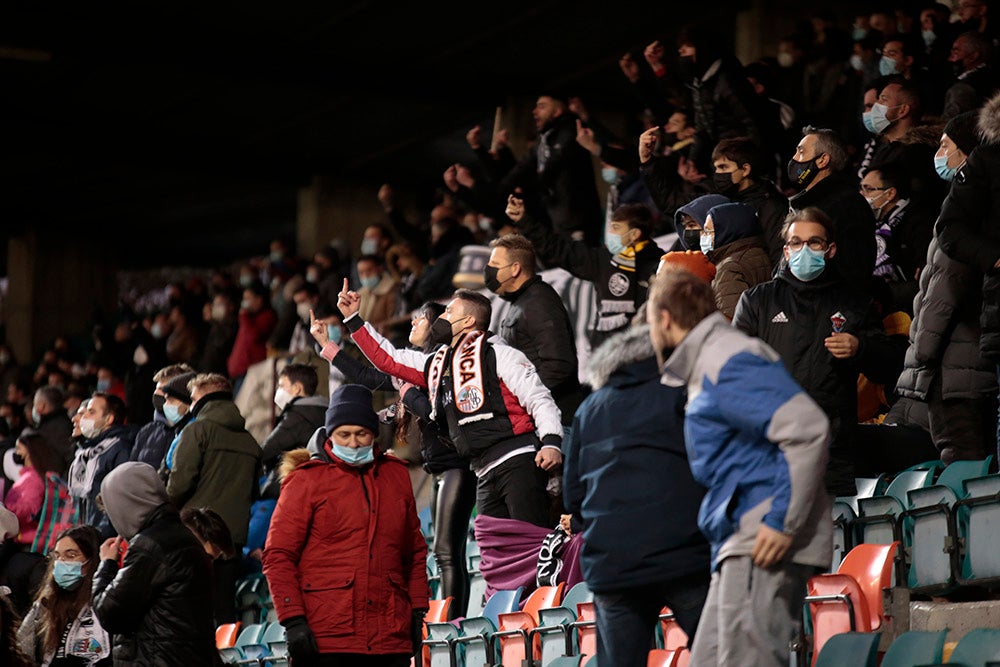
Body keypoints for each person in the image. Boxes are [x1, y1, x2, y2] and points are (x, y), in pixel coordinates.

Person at [647, 270, 832, 667]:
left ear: (663, 318)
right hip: (740, 534)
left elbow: (807, 428)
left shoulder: (724, 358)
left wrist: (783, 521)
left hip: (761, 533)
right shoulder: (709, 360)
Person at [335, 282, 564, 529]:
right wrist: (353, 319)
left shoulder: (501, 354)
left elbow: (539, 398)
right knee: (495, 553)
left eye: (448, 312)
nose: (441, 318)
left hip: (518, 460)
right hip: (482, 469)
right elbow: (388, 358)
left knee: (532, 545)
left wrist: (551, 441)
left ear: (467, 322)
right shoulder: (436, 363)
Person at [313, 300, 477, 620]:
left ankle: (453, 624)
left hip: (457, 465)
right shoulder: (411, 370)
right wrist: (327, 345)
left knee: (447, 553)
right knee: (444, 554)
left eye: (421, 319)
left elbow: (427, 407)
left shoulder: (436, 366)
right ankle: (449, 623)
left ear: (437, 327)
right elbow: (366, 375)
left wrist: (405, 397)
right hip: (441, 468)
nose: (413, 324)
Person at [563, 322, 710, 666]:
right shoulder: (683, 391)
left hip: (613, 565)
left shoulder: (588, 409)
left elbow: (573, 497)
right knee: (720, 656)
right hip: (684, 555)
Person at [733, 207, 905, 496]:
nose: (805, 249)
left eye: (814, 242)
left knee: (832, 538)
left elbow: (888, 367)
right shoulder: (757, 301)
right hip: (769, 447)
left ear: (830, 249)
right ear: (786, 251)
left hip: (831, 449)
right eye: (796, 242)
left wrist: (860, 348)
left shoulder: (855, 304)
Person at [262, 384, 429, 666]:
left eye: (361, 434)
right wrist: (293, 620)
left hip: (389, 637)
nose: (353, 443)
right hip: (327, 637)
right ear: (330, 435)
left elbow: (413, 552)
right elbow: (278, 555)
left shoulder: (396, 476)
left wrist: (417, 612)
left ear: (374, 435)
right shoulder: (305, 480)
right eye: (344, 435)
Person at [925, 95, 1000, 459]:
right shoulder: (961, 220)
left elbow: (937, 305)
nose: (939, 155)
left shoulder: (965, 226)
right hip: (962, 366)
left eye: (946, 146)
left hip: (960, 370)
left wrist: (921, 367)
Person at [91, 461, 218, 665]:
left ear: (126, 504)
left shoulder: (148, 546)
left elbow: (109, 612)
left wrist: (106, 564)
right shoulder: (185, 537)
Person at [166, 372, 261, 624]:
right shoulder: (250, 441)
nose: (191, 404)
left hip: (196, 535)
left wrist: (164, 512)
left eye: (194, 398)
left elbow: (179, 484)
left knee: (190, 610)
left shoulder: (197, 431)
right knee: (223, 611)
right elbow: (254, 493)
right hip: (232, 541)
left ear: (206, 399)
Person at [509, 199, 664, 351]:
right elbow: (559, 249)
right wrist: (525, 221)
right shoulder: (602, 260)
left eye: (616, 228)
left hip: (647, 349)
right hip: (606, 353)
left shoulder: (662, 264)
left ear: (635, 234)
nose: (610, 233)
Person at [484, 233, 585, 425]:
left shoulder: (538, 302)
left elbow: (559, 365)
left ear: (515, 269)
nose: (488, 271)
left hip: (558, 420)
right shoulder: (522, 301)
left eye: (495, 265)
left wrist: (522, 400)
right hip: (541, 418)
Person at [787, 125, 877, 293]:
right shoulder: (803, 204)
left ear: (822, 160)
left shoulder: (849, 205)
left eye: (801, 152)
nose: (794, 159)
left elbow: (855, 269)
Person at [16, 525, 112, 666]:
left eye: (71, 555)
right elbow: (22, 650)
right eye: (57, 556)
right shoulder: (45, 603)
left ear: (92, 560)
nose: (61, 562)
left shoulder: (106, 602)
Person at [66, 392, 134, 539]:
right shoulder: (88, 451)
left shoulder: (119, 448)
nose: (84, 417)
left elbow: (119, 497)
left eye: (92, 412)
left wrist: (102, 535)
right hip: (88, 532)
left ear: (109, 419)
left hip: (104, 535)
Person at [698, 201, 773, 319]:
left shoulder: (729, 268)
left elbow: (732, 320)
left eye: (708, 231)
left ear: (726, 230)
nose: (703, 236)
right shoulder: (761, 253)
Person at [130, 364, 195, 469]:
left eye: (162, 389)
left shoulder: (191, 431)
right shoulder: (148, 431)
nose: (156, 393)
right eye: (156, 388)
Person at [226, 279, 278, 394]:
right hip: (238, 374)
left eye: (248, 298)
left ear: (259, 299)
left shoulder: (267, 316)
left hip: (249, 373)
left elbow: (253, 337)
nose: (245, 303)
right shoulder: (249, 318)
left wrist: (244, 316)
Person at [31, 385, 74, 472]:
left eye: (35, 404)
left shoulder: (56, 428)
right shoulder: (62, 422)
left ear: (42, 406)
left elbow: (69, 456)